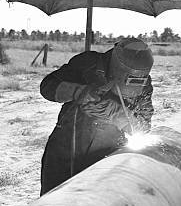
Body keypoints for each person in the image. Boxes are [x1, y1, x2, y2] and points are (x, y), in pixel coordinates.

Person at [39, 38, 154, 195]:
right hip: (66, 148)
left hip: (108, 152)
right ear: (118, 66)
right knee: (53, 201)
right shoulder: (87, 64)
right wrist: (78, 92)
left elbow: (144, 126)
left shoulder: (144, 84)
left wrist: (118, 114)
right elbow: (47, 86)